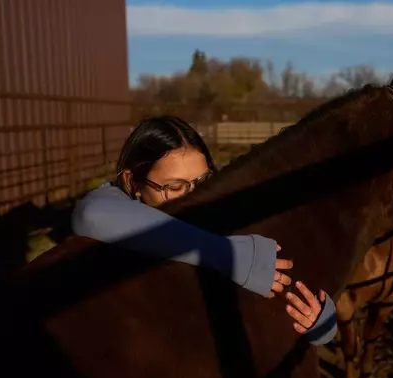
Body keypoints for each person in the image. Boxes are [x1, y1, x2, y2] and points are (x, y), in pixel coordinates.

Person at [71, 115, 336, 345]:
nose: (194, 197)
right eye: (175, 187)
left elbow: (285, 263)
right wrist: (226, 254)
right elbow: (91, 215)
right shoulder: (116, 206)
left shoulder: (223, 207)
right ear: (132, 183)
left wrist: (320, 317)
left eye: (203, 180)